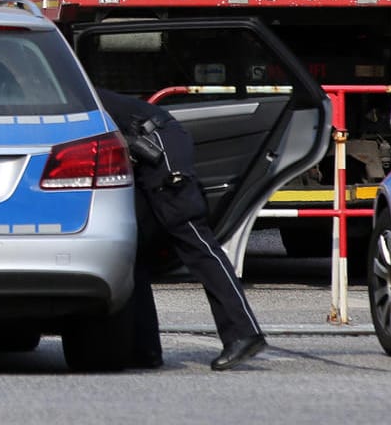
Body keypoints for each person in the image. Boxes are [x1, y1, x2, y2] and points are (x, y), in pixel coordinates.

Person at [95, 88, 267, 371]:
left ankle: (244, 333)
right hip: (144, 148)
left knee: (193, 237)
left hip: (156, 145)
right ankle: (144, 348)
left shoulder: (60, 85)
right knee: (131, 249)